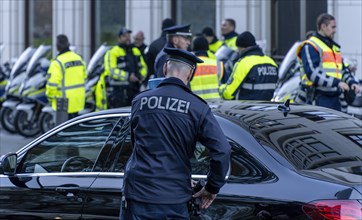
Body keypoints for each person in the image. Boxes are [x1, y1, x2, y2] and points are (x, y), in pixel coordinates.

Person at [121, 47, 231, 219]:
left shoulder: (139, 101)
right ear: (190, 74)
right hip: (174, 198)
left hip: (138, 195)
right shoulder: (197, 107)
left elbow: (136, 145)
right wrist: (211, 188)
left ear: (165, 68)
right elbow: (222, 150)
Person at [296, 13, 359, 111]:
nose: (335, 30)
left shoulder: (333, 47)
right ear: (323, 26)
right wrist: (337, 83)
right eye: (332, 27)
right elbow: (312, 73)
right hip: (318, 98)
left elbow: (342, 70)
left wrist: (351, 83)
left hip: (334, 98)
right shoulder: (311, 46)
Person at [219, 31, 278, 100]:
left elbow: (228, 94)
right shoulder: (271, 62)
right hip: (267, 108)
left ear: (241, 48)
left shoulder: (244, 63)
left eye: (238, 48)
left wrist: (219, 88)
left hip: (247, 108)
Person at [104, 27, 147, 108]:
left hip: (134, 90)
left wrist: (140, 76)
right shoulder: (113, 52)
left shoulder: (135, 50)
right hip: (118, 92)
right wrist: (128, 76)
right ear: (119, 38)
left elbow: (144, 67)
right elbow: (111, 70)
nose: (127, 38)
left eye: (128, 36)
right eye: (124, 36)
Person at [46, 34, 86, 119]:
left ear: (57, 46)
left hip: (63, 103)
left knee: (63, 129)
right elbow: (84, 76)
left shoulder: (57, 63)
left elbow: (52, 85)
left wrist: (50, 98)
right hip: (78, 101)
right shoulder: (79, 58)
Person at [191, 36, 224, 100]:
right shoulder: (218, 64)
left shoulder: (189, 65)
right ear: (207, 47)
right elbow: (225, 87)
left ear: (193, 48)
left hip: (195, 103)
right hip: (216, 104)